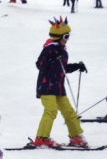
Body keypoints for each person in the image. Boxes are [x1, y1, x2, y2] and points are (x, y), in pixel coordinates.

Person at [30, 17, 88, 148]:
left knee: (69, 112)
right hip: (46, 87)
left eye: (68, 36)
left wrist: (76, 66)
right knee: (51, 110)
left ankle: (76, 136)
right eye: (66, 36)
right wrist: (51, 58)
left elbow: (63, 68)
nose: (67, 39)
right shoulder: (49, 49)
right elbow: (39, 64)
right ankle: (41, 138)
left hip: (59, 88)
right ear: (58, 37)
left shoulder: (62, 51)